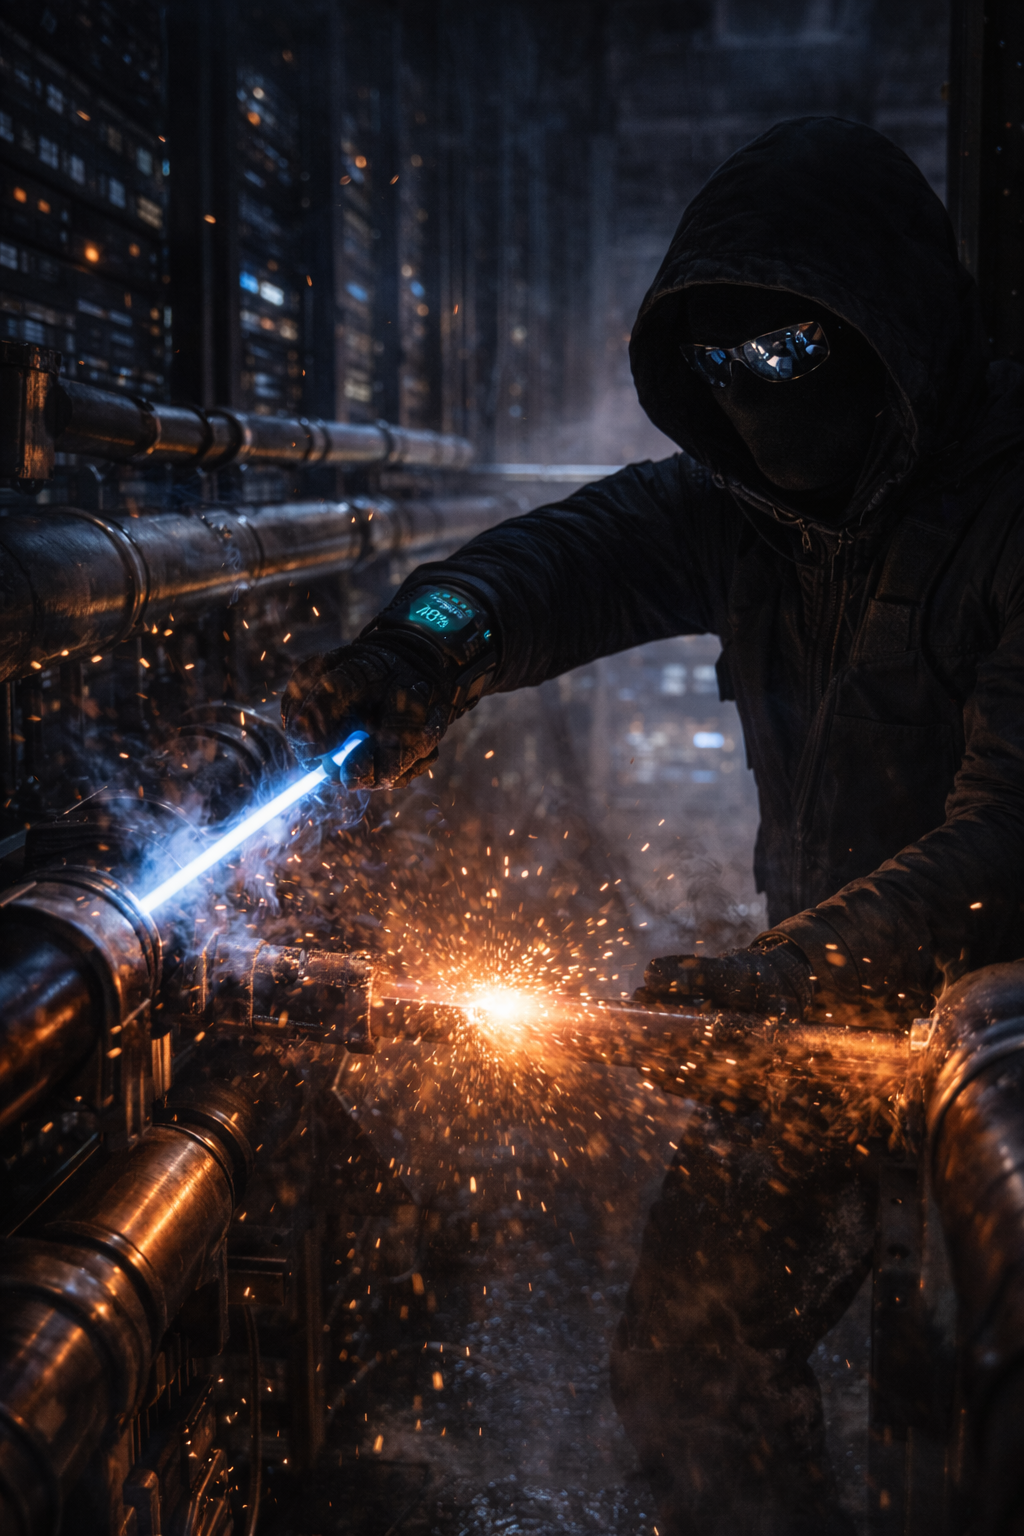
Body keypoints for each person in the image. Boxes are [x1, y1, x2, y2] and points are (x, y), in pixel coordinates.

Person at [283, 117, 1024, 1533]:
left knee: (979, 1427)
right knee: (687, 1363)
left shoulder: (1009, 509)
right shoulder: (752, 515)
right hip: (824, 1029)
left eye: (791, 356)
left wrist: (788, 973)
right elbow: (557, 564)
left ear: (891, 329)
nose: (756, 400)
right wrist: (417, 656)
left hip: (992, 1036)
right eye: (723, 368)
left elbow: (1010, 840)